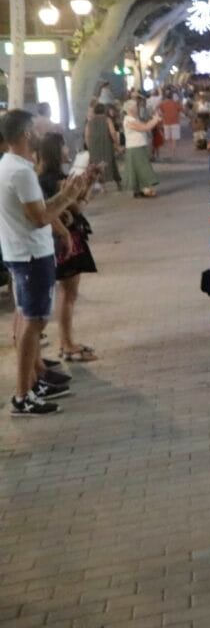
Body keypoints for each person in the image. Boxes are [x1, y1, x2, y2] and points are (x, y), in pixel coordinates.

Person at [2, 111, 89, 415]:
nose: (43, 132)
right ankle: (22, 394)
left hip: (19, 253)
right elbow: (39, 217)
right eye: (38, 128)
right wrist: (68, 195)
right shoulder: (21, 172)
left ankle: (32, 382)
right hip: (30, 255)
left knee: (26, 318)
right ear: (26, 134)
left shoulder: (10, 166)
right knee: (34, 322)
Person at [36, 133, 99, 363]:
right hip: (67, 239)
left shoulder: (42, 178)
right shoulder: (59, 180)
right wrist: (87, 187)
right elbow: (79, 207)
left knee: (65, 293)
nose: (67, 150)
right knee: (68, 294)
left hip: (57, 239)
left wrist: (88, 181)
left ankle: (67, 342)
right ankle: (66, 343)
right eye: (63, 146)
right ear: (56, 151)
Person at [122, 94, 161, 198]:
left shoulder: (133, 119)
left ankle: (139, 190)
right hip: (135, 147)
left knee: (137, 169)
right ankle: (145, 189)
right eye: (135, 107)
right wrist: (155, 120)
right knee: (143, 169)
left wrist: (153, 120)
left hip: (137, 146)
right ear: (130, 109)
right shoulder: (129, 120)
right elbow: (145, 128)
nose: (137, 109)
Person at [84, 102, 122, 189]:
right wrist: (116, 143)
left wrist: (89, 147)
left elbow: (86, 136)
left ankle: (103, 187)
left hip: (94, 146)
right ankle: (118, 183)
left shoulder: (89, 122)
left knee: (96, 166)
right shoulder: (107, 119)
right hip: (106, 144)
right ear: (104, 110)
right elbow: (112, 132)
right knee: (111, 163)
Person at [157, 90, 184, 158]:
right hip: (175, 122)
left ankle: (169, 152)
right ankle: (173, 153)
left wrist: (162, 115)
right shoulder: (175, 103)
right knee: (174, 139)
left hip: (166, 122)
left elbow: (158, 109)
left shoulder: (163, 103)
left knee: (168, 138)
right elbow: (182, 109)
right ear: (172, 97)